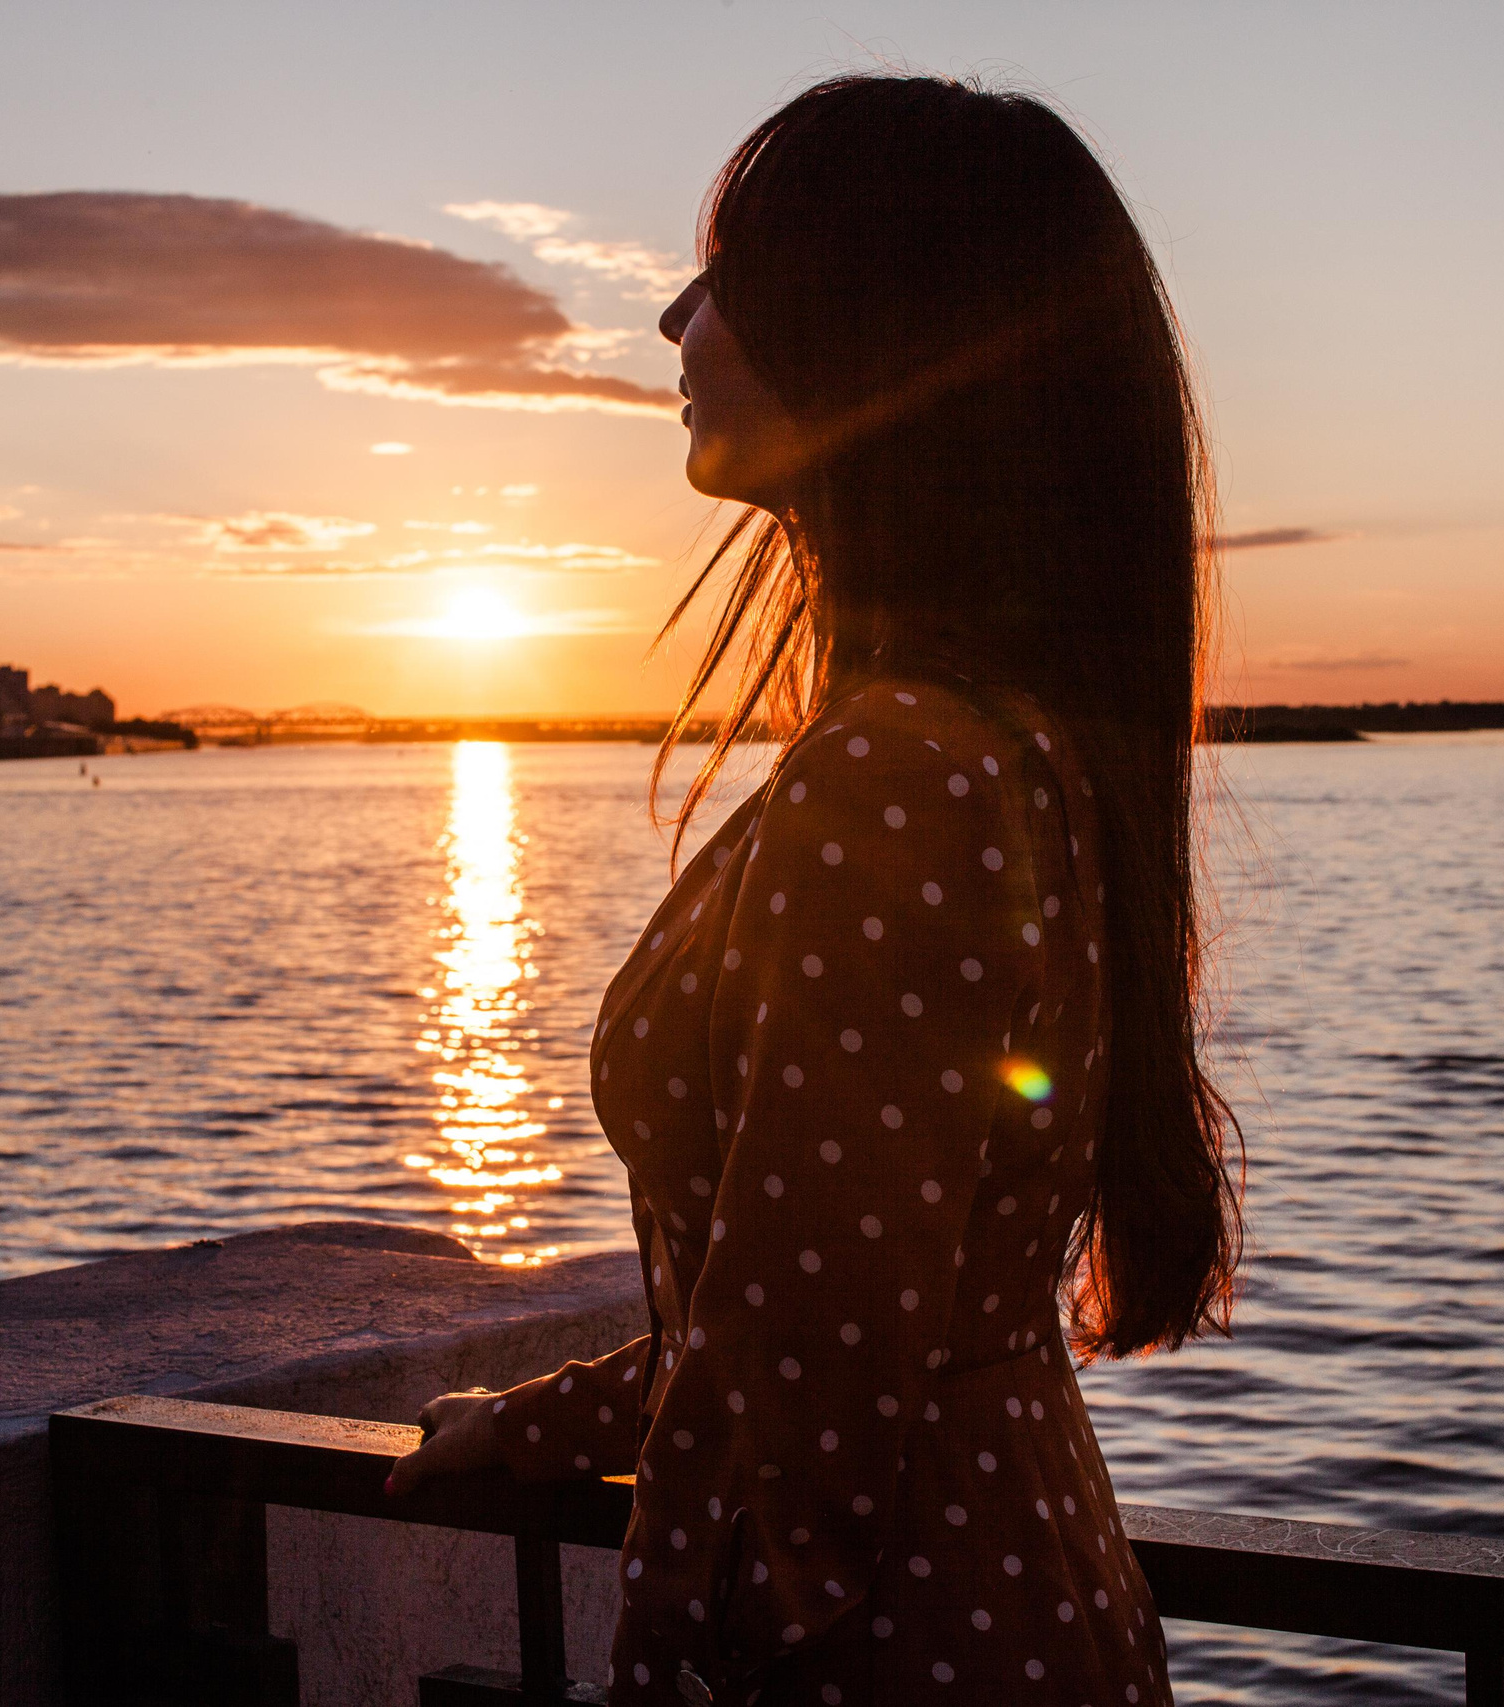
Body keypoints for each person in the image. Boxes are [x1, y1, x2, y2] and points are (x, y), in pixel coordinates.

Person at [387, 73, 1241, 1705]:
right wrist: (538, 1426)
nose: (675, 319)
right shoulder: (1011, 743)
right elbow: (814, 1300)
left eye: (732, 278)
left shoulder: (902, 774)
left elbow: (812, 1405)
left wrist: (664, 1669)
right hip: (1002, 1596)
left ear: (879, 332)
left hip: (892, 1651)